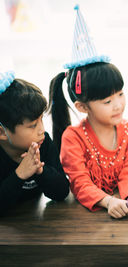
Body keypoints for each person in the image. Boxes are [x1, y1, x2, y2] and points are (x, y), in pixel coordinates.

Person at [49, 5, 128, 219]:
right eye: (107, 101)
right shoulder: (73, 138)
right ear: (83, 107)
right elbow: (80, 184)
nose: (118, 105)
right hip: (82, 222)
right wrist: (109, 202)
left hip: (123, 208)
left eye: (120, 94)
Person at [0, 71, 69, 213]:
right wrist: (20, 174)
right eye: (32, 125)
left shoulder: (43, 143)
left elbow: (62, 193)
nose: (41, 130)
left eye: (41, 119)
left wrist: (40, 171)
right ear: (2, 132)